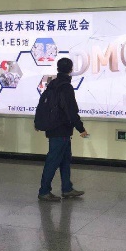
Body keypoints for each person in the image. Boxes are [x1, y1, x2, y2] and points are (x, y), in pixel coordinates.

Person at [37, 58, 87, 201]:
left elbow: (42, 105)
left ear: (58, 69)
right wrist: (81, 128)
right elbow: (71, 110)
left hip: (55, 128)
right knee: (53, 161)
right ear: (71, 69)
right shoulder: (66, 87)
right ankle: (44, 191)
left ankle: (67, 188)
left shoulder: (53, 84)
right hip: (60, 129)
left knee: (65, 159)